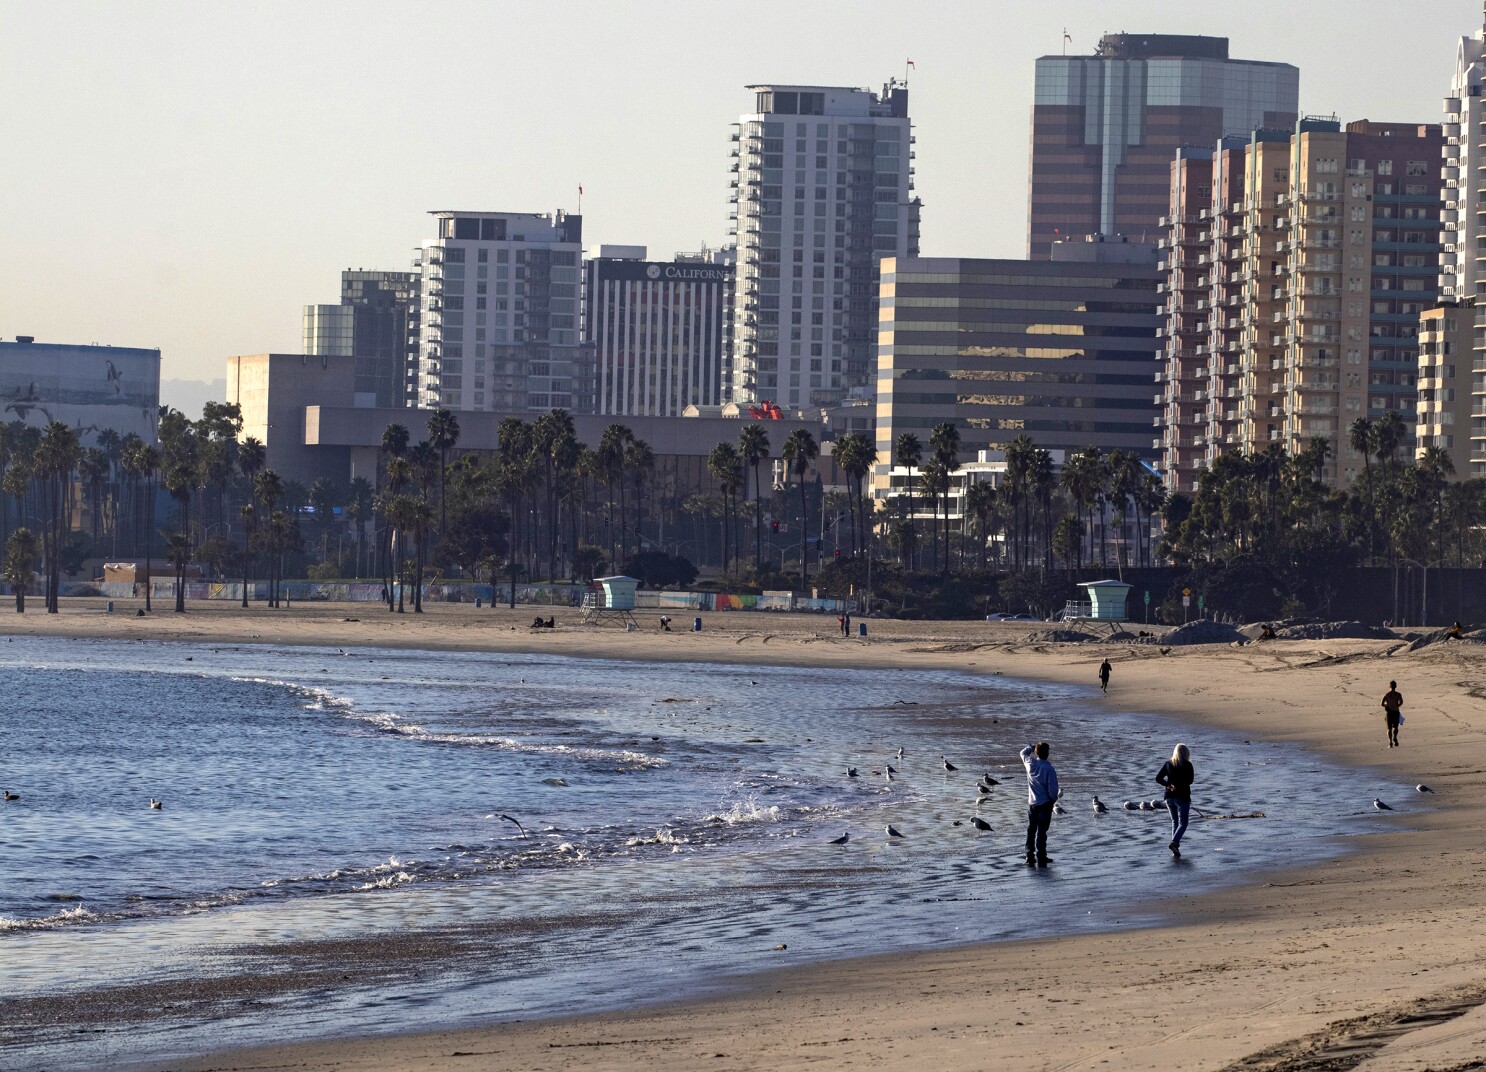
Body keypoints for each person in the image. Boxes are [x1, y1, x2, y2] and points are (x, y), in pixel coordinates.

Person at [1020, 741, 1059, 867]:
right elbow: (1053, 791)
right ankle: (1041, 855)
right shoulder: (1049, 768)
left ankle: (1029, 856)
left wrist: (1031, 747)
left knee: (1031, 830)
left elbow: (1022, 752)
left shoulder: (1030, 763)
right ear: (1047, 753)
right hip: (1045, 803)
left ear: (1036, 752)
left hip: (1032, 803)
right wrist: (1052, 801)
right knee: (1042, 831)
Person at [1156, 743, 1195, 859]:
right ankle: (1174, 843)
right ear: (1186, 753)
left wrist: (1168, 784)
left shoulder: (1168, 763)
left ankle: (1175, 848)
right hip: (1182, 797)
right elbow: (1190, 781)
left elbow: (1158, 778)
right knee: (1183, 823)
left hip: (1169, 797)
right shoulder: (1188, 765)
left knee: (1175, 822)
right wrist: (1180, 784)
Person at [1381, 680, 1404, 748]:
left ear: (1390, 686)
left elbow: (1382, 704)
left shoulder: (1387, 695)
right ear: (1395, 686)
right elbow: (1401, 702)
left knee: (1389, 728)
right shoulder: (1398, 694)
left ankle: (1390, 742)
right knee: (1396, 728)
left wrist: (1387, 706)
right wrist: (1397, 705)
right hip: (1396, 712)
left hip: (1389, 712)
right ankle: (1395, 737)